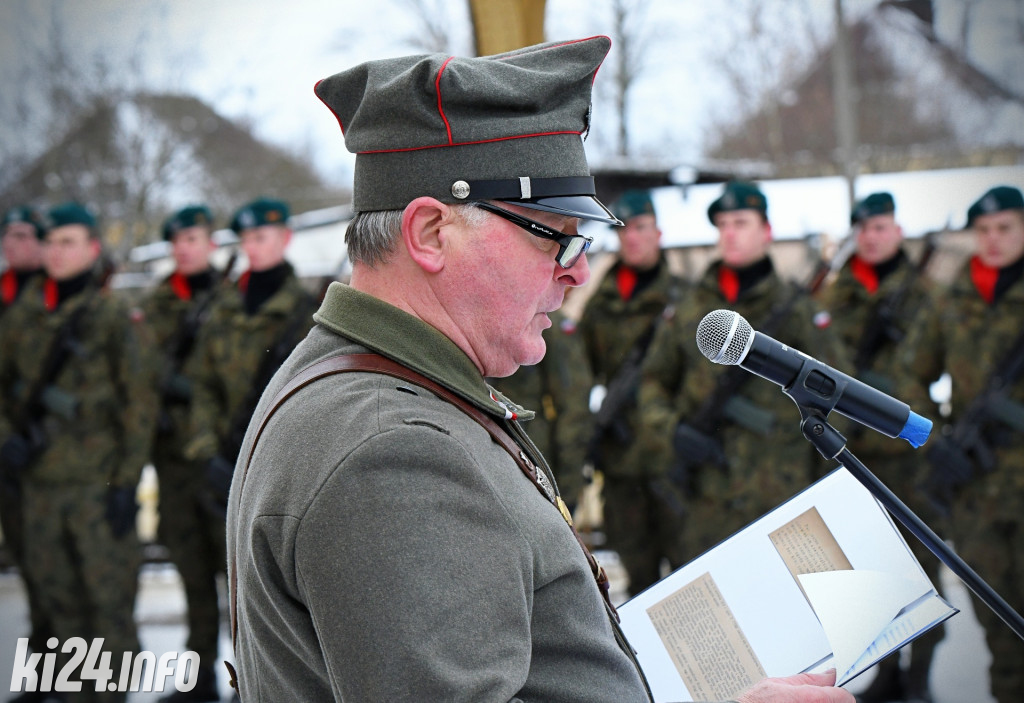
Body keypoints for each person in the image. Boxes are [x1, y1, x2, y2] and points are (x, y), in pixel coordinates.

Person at [225, 38, 851, 703]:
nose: (578, 269)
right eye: (553, 233)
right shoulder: (392, 452)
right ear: (431, 233)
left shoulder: (379, 388)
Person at [638, 181, 848, 560]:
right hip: (707, 503)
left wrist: (826, 487)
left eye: (741, 222)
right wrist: (674, 433)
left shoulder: (795, 309)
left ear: (766, 231)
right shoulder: (689, 309)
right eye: (723, 224)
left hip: (782, 496)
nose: (730, 233)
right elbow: (652, 382)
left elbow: (838, 397)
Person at [0, 202, 157, 703]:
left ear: (92, 248)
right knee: (58, 602)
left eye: (68, 242)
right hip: (39, 486)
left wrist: (128, 483)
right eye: (50, 242)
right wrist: (6, 437)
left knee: (108, 610)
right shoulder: (22, 314)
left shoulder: (113, 315)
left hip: (98, 486)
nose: (56, 252)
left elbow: (139, 402)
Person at [816, 192, 941, 703]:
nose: (872, 237)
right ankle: (887, 669)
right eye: (864, 229)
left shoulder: (924, 293)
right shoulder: (836, 296)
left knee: (923, 565)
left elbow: (926, 368)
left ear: (898, 231)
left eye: (881, 227)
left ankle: (920, 677)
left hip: (908, 456)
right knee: (871, 568)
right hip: (853, 452)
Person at [901, 185, 1024, 703]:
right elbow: (910, 373)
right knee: (1001, 631)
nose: (992, 241)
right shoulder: (952, 300)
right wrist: (935, 440)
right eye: (984, 231)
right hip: (976, 493)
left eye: (1005, 229)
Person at [577, 188, 686, 594]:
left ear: (657, 231)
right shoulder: (600, 304)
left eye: (640, 228)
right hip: (622, 467)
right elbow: (581, 375)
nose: (632, 239)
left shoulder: (684, 299)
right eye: (624, 231)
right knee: (638, 582)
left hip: (673, 463)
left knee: (687, 575)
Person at [142, 205, 231, 702]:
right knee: (192, 574)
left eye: (193, 238)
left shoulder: (232, 300)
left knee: (237, 581)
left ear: (210, 243)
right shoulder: (157, 304)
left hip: (219, 459)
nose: (184, 247)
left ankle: (252, 678)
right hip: (173, 461)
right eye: (177, 241)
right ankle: (200, 680)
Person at [183, 196, 316, 517]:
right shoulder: (224, 308)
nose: (251, 247)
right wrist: (207, 450)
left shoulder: (307, 310)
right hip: (220, 458)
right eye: (245, 239)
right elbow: (202, 382)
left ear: (286, 238)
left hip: (280, 469)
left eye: (260, 237)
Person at [0, 203, 54, 682]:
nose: (13, 244)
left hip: (39, 458)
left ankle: (51, 673)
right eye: (8, 236)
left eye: (23, 235)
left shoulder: (50, 302)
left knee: (47, 572)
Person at [487, 303, 593, 511]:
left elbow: (573, 407)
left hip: (536, 462)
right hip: (493, 461)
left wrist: (566, 489)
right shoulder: (481, 315)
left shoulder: (548, 324)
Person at [1, 205, 47, 315]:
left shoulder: (59, 287)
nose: (8, 243)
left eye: (20, 236)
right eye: (5, 234)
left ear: (41, 242)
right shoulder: (3, 283)